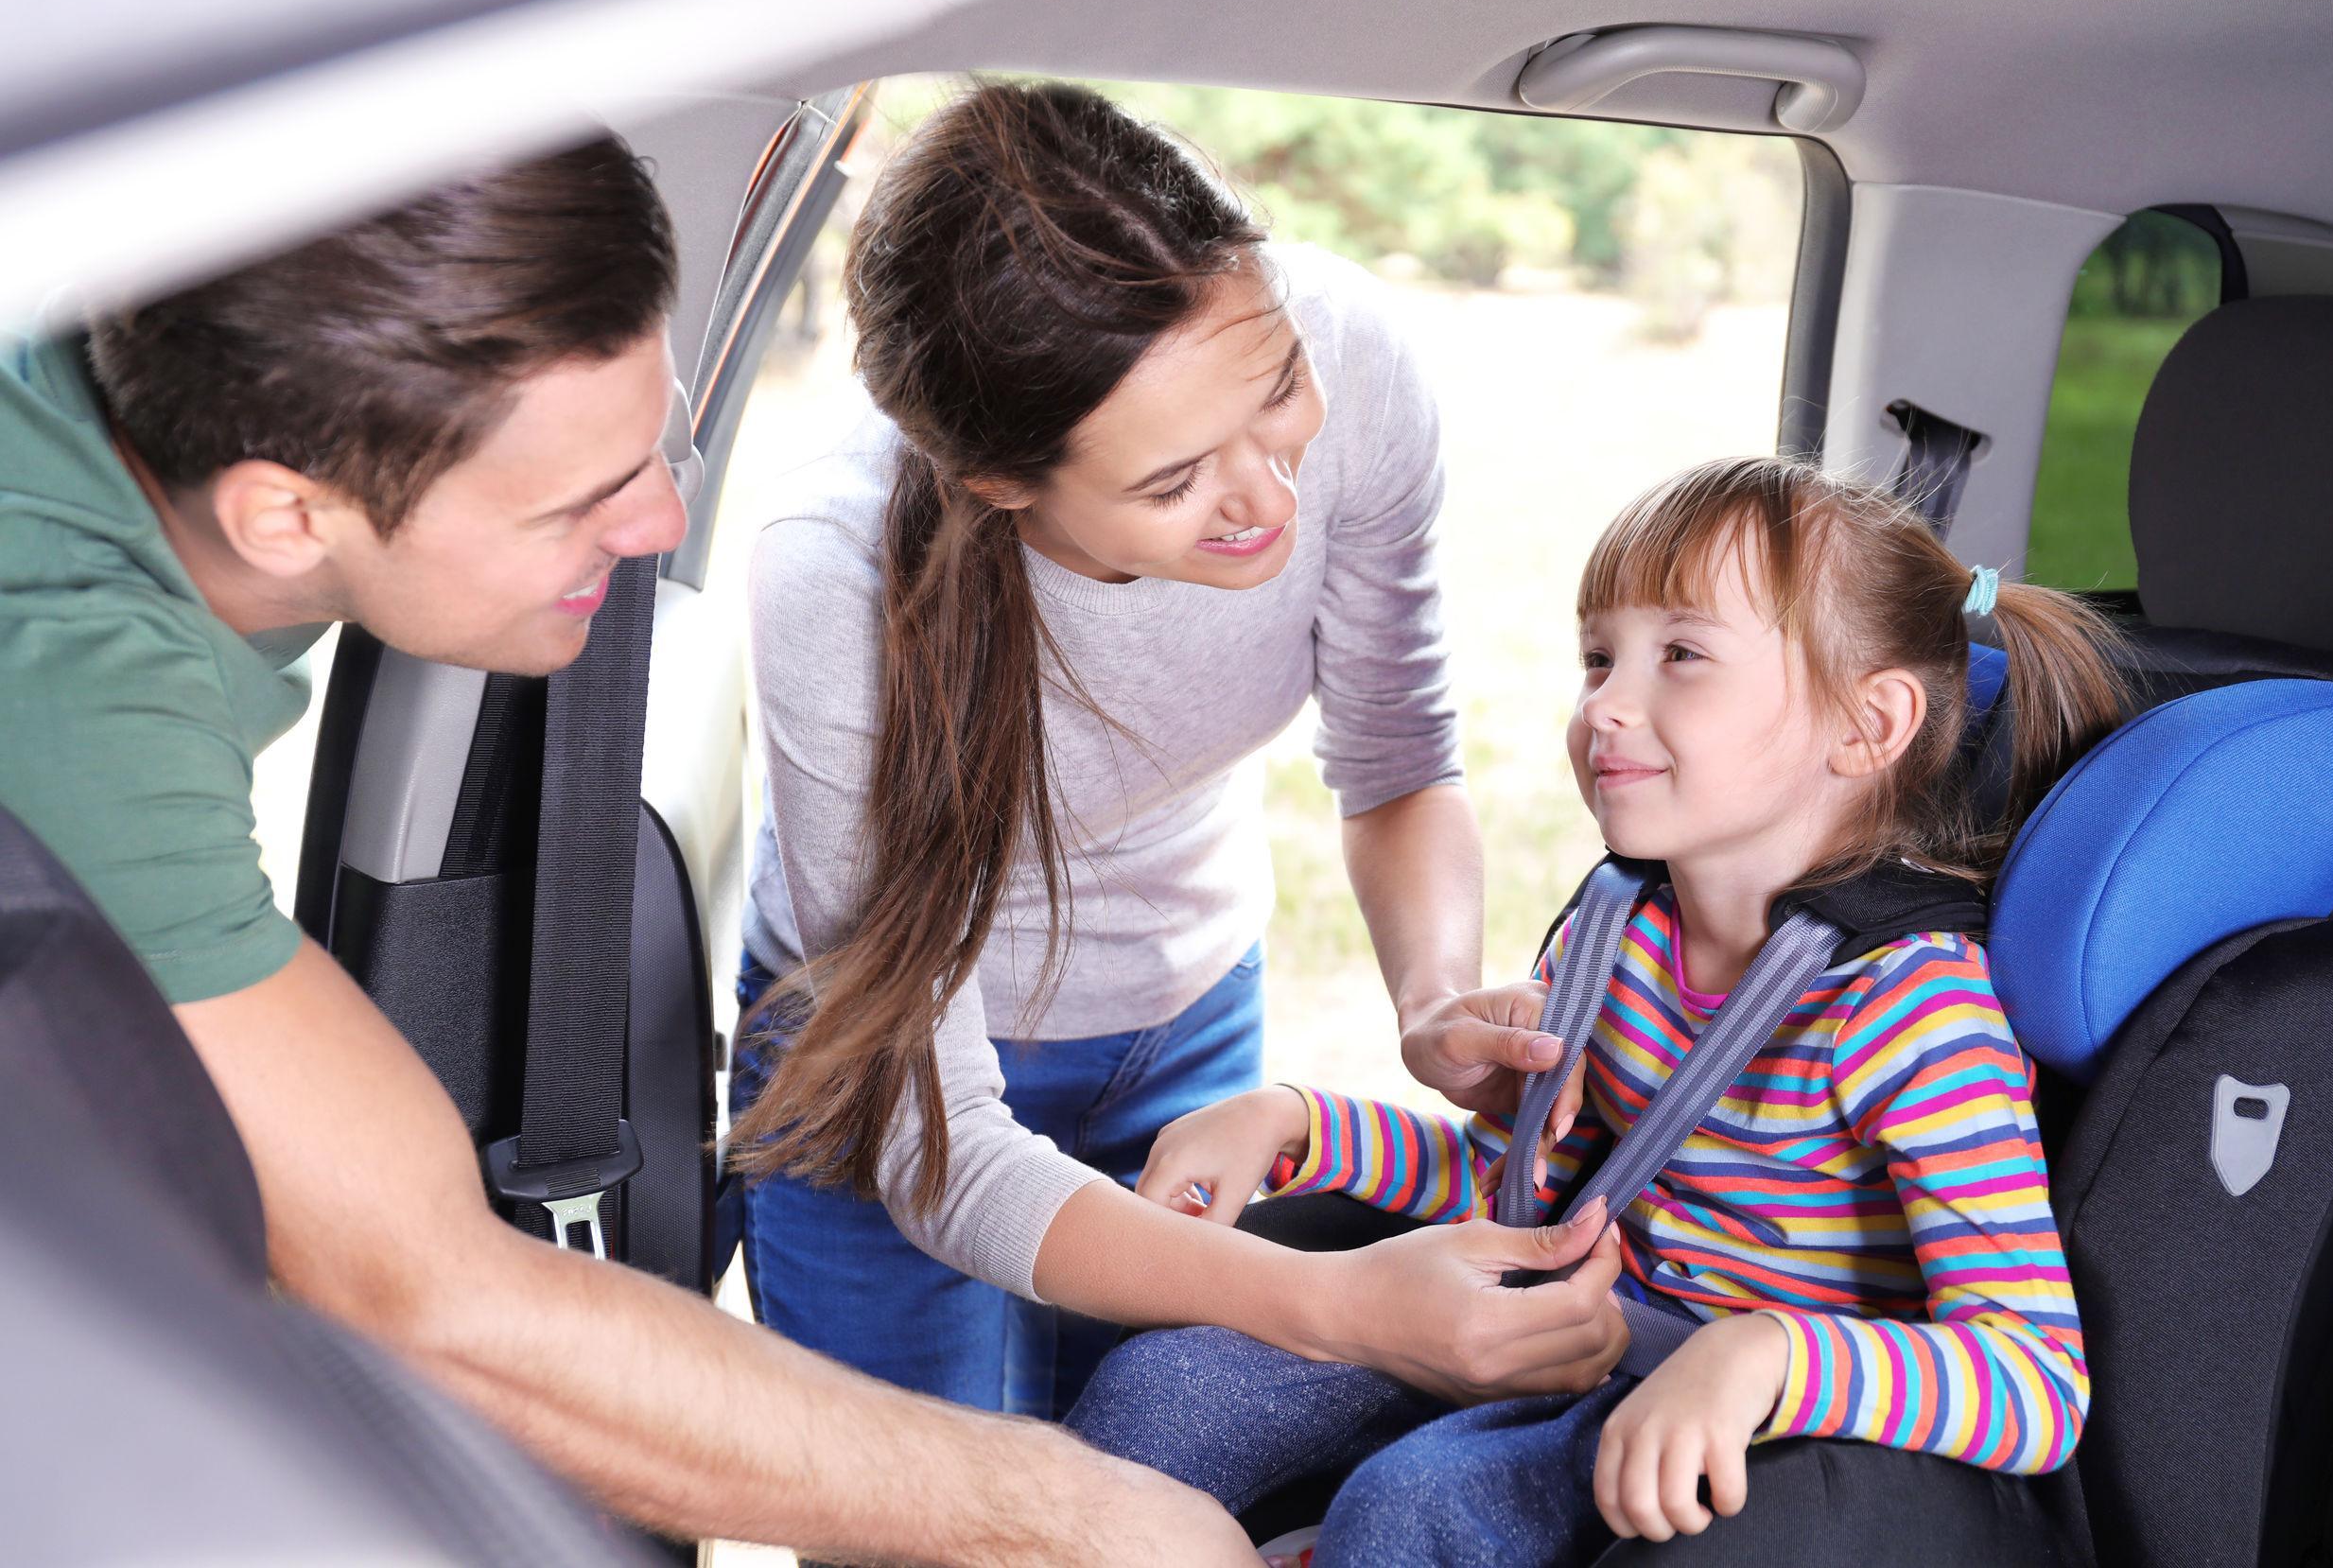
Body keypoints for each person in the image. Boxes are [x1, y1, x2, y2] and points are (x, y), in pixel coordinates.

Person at [0, 132, 1266, 1565]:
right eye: (578, 499)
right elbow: (430, 1298)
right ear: (287, 517)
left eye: (655, 443)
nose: (664, 520)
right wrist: (1069, 1519)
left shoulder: (186, 400)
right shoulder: (64, 686)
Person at [731, 78, 1627, 1424]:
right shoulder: (836, 575)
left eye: (1276, 396)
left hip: (1186, 1011)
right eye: (1171, 482)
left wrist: (1432, 1002)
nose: (1270, 497)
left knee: (1155, 1469)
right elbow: (949, 1149)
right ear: (1001, 484)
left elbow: (1395, 754)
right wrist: (1343, 1307)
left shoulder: (1358, 359)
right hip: (891, 1067)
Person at [1067, 456, 2124, 1565]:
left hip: (1719, 1406)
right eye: (1598, 657)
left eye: (1682, 657)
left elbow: (2034, 1378)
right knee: (1165, 1392)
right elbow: (1524, 1188)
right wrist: (1297, 1123)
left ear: (1867, 727)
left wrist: (1764, 1355)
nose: (1607, 705)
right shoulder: (1618, 938)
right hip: (1559, 1328)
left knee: (1416, 1512)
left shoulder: (1911, 1011)